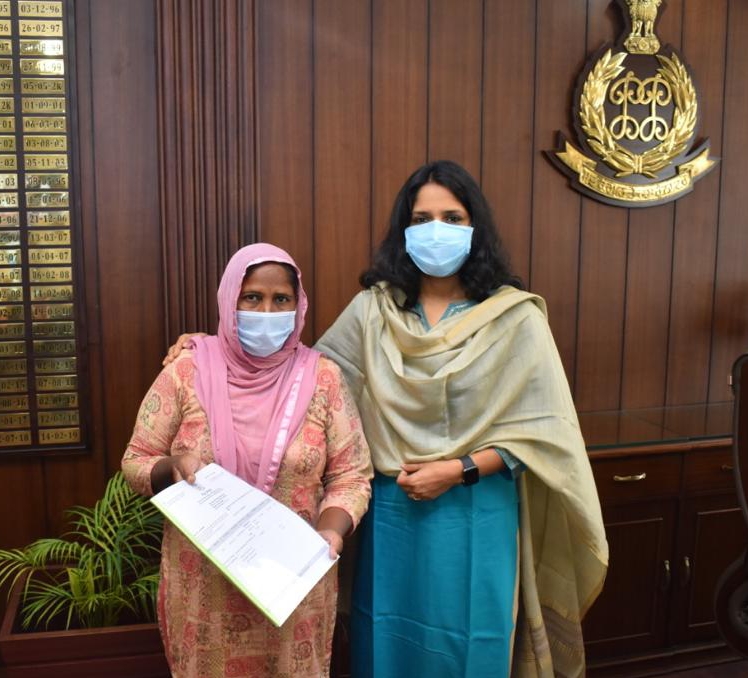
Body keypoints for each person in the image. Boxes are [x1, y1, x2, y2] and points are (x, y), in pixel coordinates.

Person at [166, 160, 608, 677]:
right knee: (387, 640)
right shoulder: (373, 311)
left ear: (475, 229)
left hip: (476, 506)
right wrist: (210, 349)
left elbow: (543, 432)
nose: (436, 230)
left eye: (452, 217)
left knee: (472, 645)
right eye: (421, 219)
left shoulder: (515, 318)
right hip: (395, 510)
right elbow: (303, 375)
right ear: (404, 230)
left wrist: (458, 469)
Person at [122, 243, 372, 678]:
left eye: (281, 299)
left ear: (298, 305)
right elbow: (136, 460)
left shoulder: (323, 378)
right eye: (252, 297)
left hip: (294, 582)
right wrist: (171, 468)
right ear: (228, 300)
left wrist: (331, 530)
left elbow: (352, 475)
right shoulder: (187, 371)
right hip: (205, 590)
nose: (267, 311)